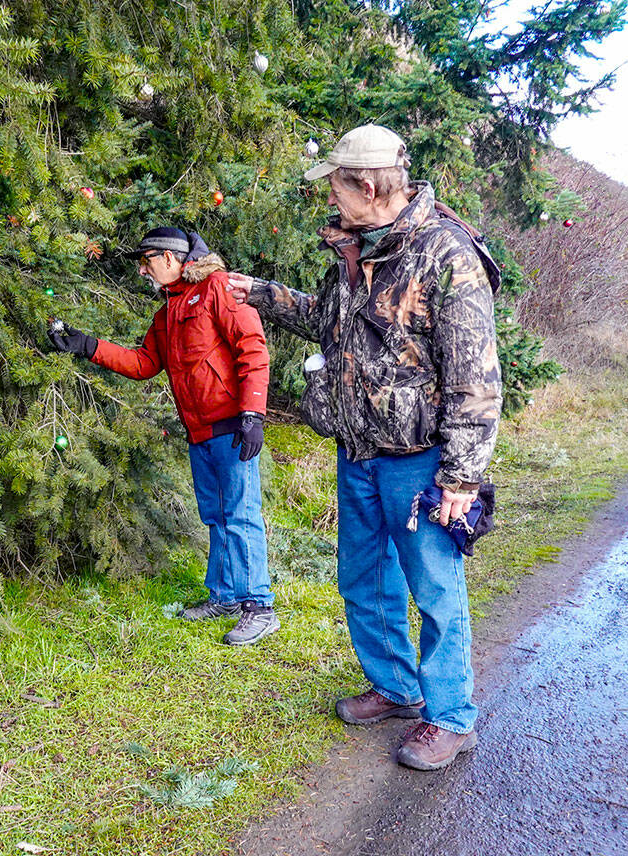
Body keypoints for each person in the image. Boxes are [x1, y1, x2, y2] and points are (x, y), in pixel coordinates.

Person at [226, 124, 501, 769]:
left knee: (434, 589)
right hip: (359, 453)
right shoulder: (356, 252)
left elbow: (476, 378)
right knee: (363, 579)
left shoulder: (445, 256)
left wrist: (460, 478)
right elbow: (328, 319)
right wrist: (259, 294)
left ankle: (451, 715)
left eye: (336, 185)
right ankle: (398, 688)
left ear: (370, 185)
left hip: (423, 464)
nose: (329, 198)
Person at [48, 227, 278, 646]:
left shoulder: (217, 288)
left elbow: (252, 347)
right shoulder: (167, 313)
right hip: (199, 430)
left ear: (170, 259)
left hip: (232, 425)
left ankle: (258, 607)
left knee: (241, 513)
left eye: (147, 261)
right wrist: (88, 345)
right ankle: (226, 596)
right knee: (216, 515)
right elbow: (143, 363)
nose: (143, 270)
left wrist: (252, 413)